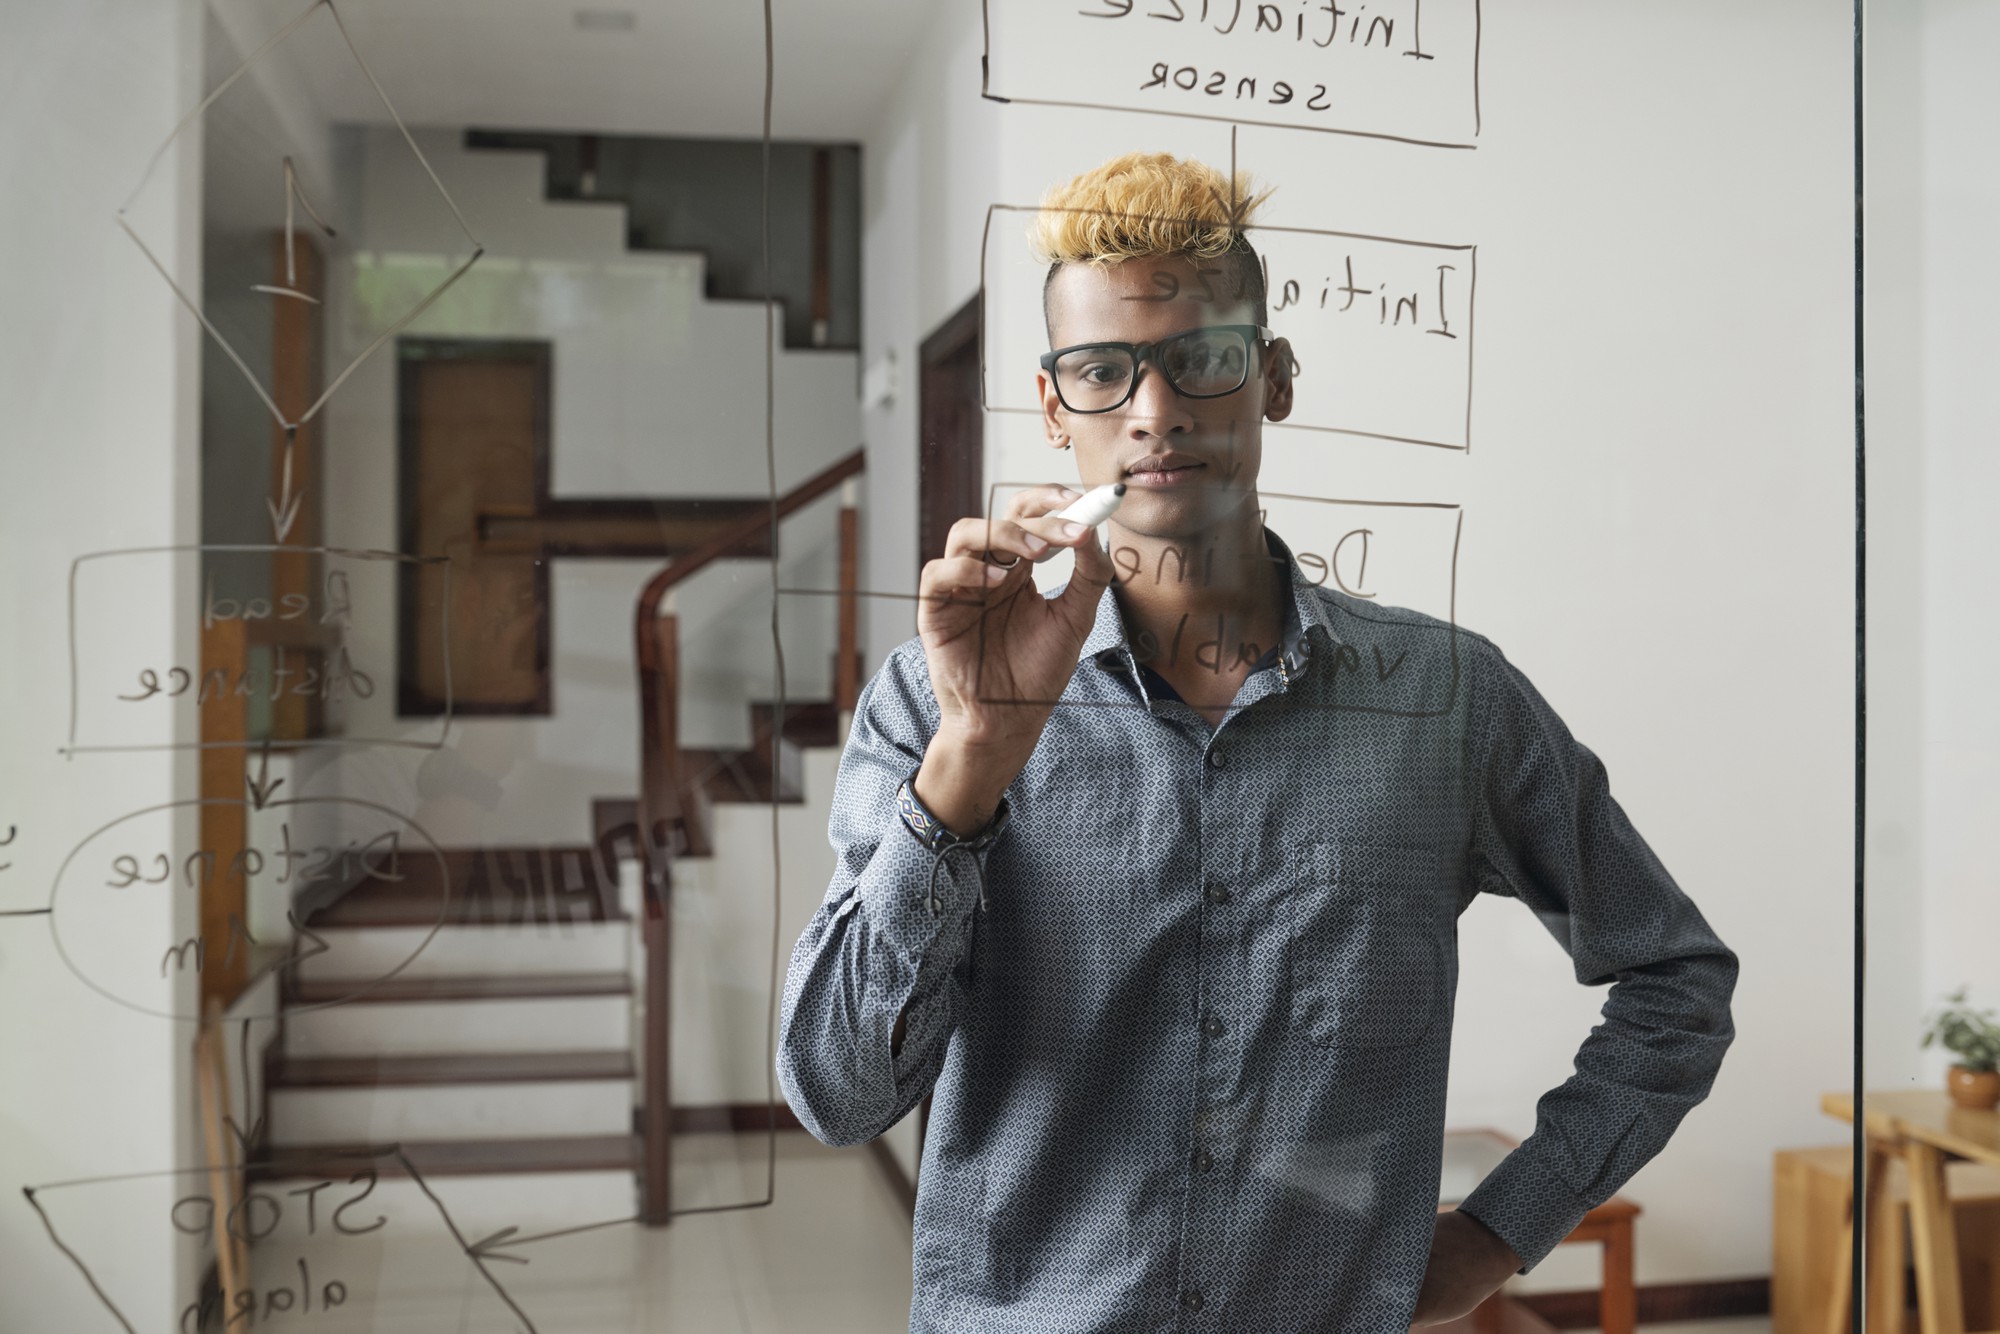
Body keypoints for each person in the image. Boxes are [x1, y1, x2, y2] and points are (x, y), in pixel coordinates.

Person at [777, 151, 1738, 1332]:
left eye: (1204, 360)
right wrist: (974, 754)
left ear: (1272, 377)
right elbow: (836, 1094)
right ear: (1049, 403)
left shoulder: (1446, 697)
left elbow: (1672, 982)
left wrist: (1497, 1233)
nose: (1154, 409)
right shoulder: (930, 701)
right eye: (1101, 371)